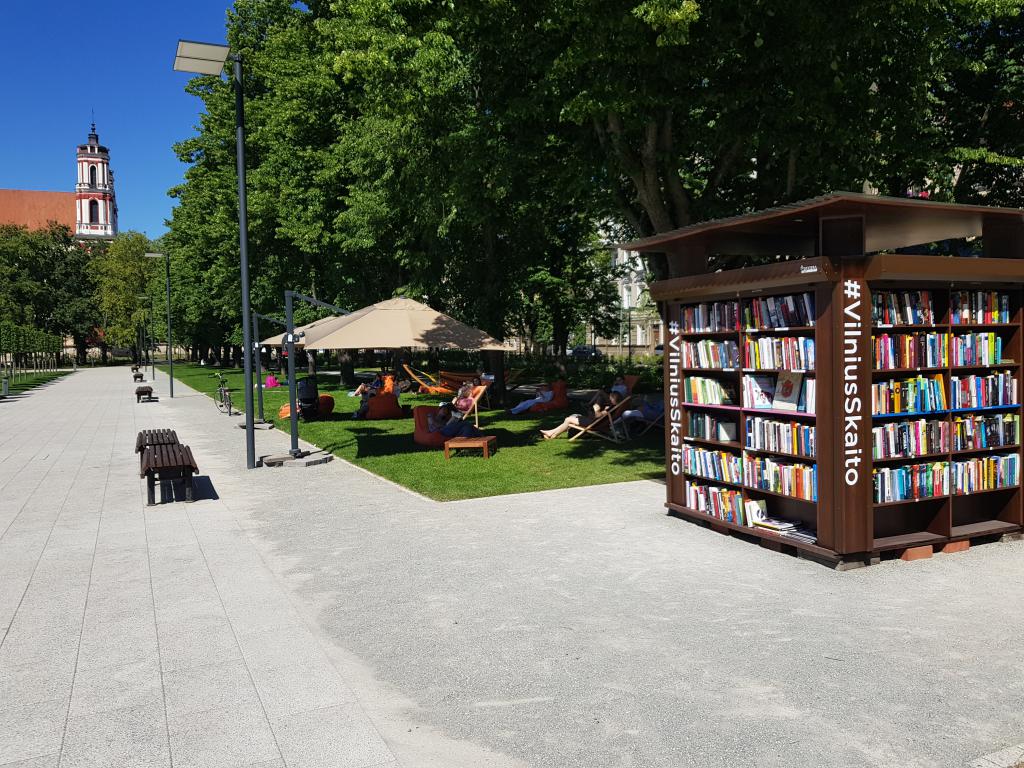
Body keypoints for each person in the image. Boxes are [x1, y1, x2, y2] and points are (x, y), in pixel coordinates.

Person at [540, 391, 622, 440]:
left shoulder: (611, 408)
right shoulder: (615, 408)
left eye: (611, 398)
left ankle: (551, 433)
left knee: (568, 419)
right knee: (570, 418)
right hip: (596, 422)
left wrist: (596, 408)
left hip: (593, 423)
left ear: (614, 399)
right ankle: (552, 434)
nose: (609, 400)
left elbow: (598, 416)